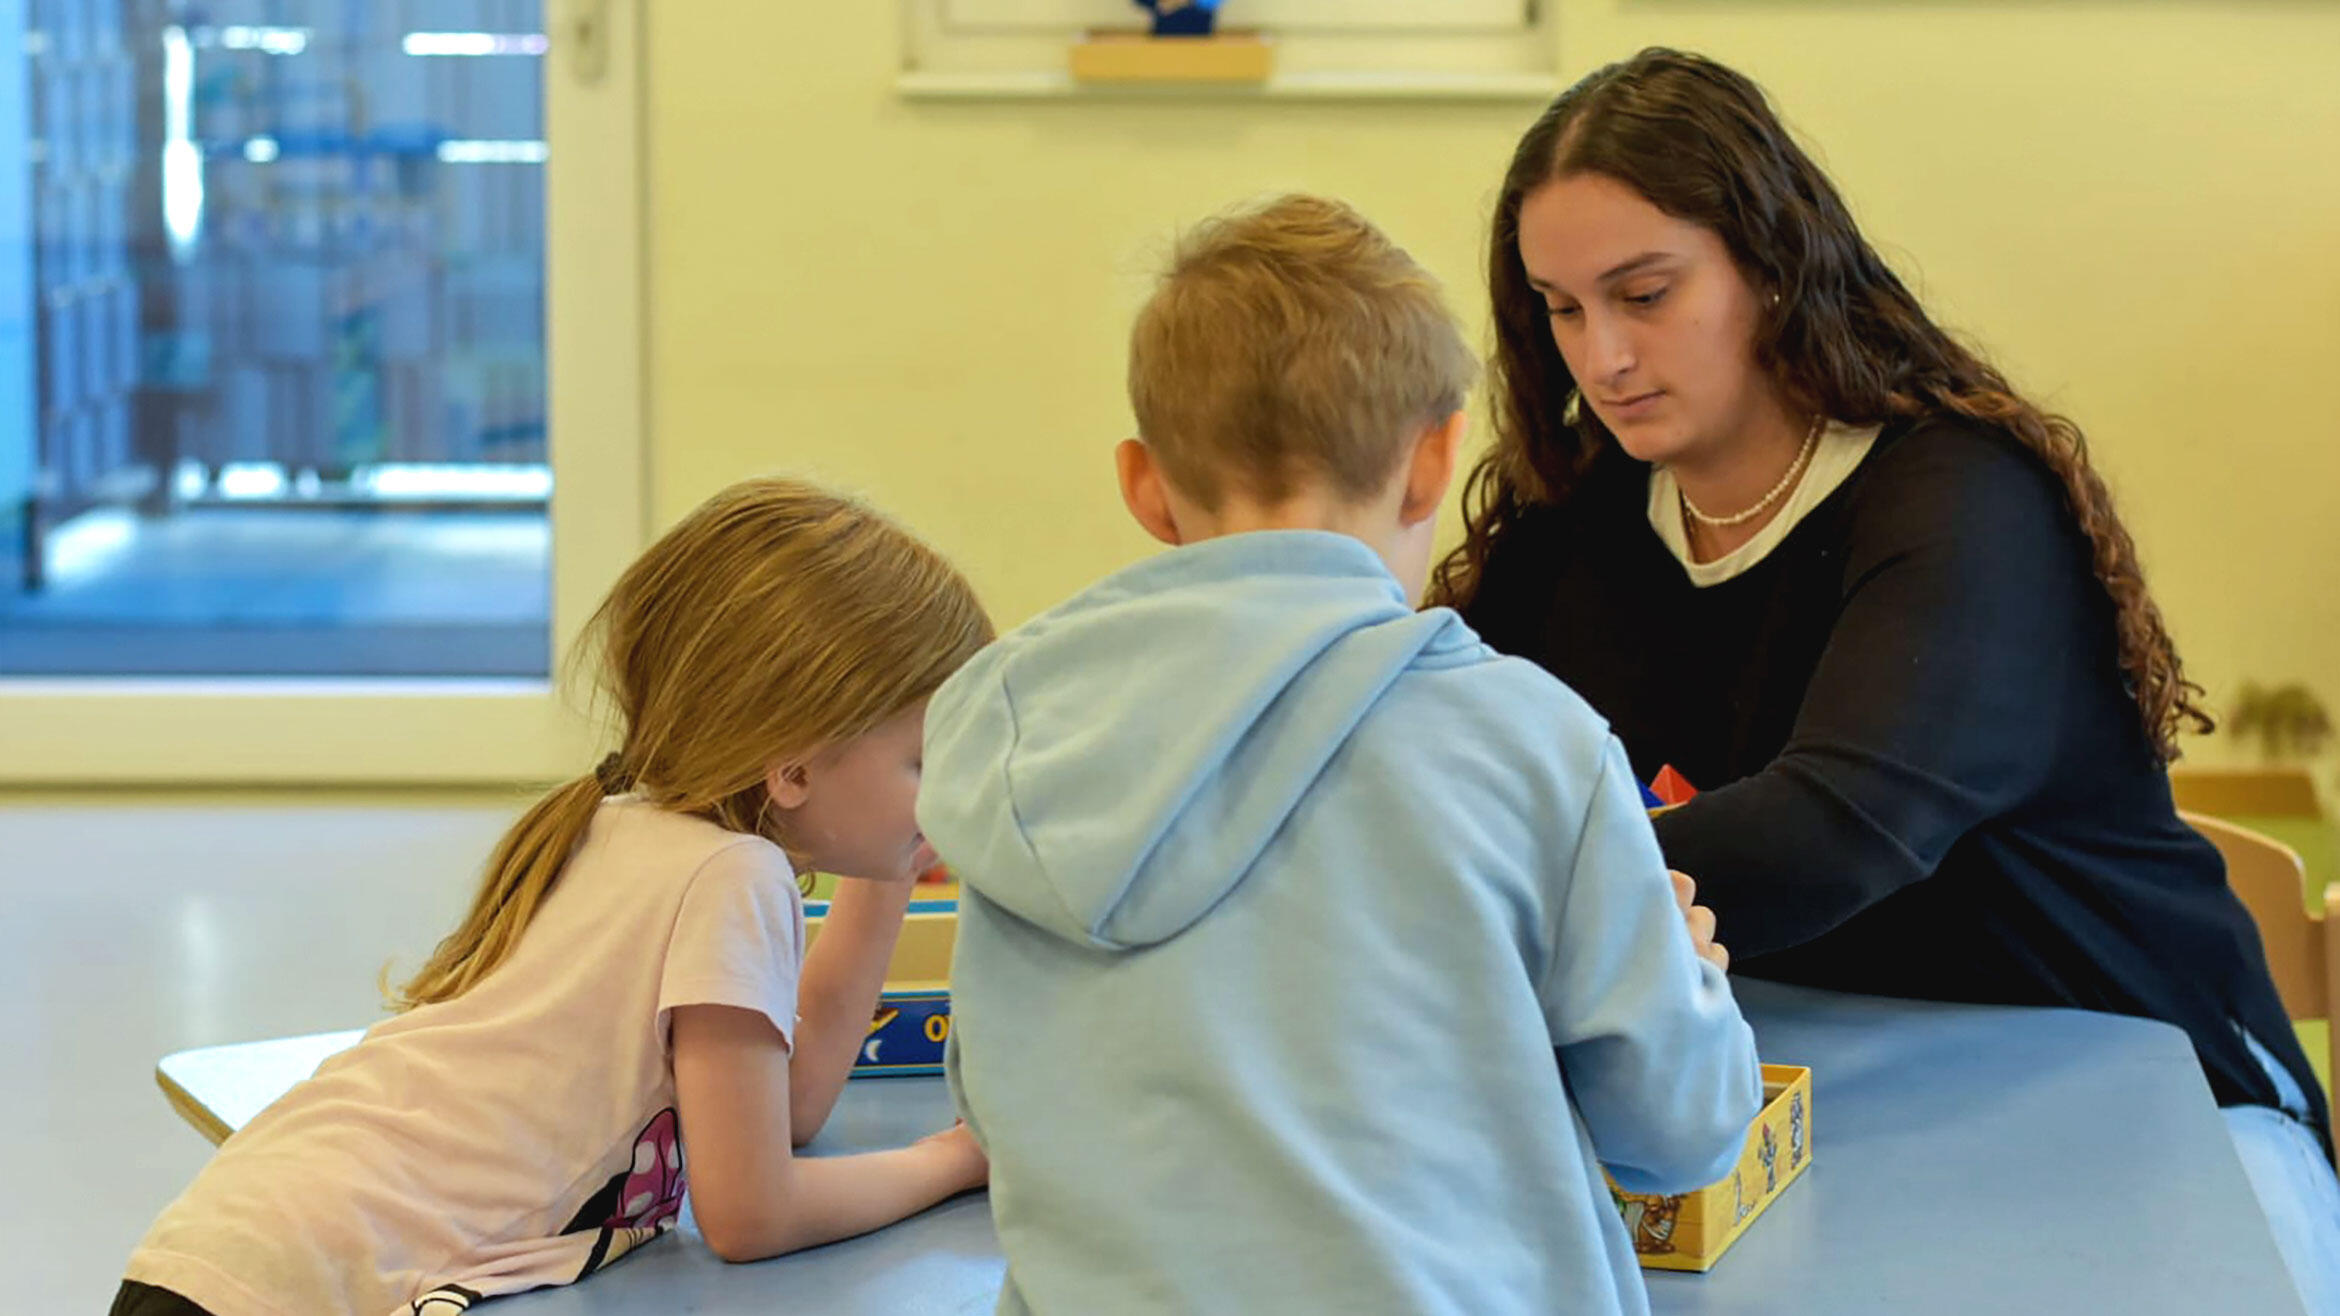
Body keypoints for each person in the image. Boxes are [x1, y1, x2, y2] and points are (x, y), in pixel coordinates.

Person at [1433, 47, 2340, 1312]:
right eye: (1562, 308)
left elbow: (1833, 833)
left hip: (2147, 1090)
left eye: (1645, 293)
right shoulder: (1577, 517)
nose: (1603, 354)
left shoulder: (1962, 499)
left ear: (1769, 261)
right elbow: (1426, 749)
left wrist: (1482, 890)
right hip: (1804, 1101)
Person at [918, 194, 1761, 1315]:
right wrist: (1685, 977)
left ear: (1146, 488)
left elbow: (993, 1097)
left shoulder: (1028, 742)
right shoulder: (1530, 740)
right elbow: (1680, 1131)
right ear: (1434, 464)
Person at [115, 477, 994, 1316]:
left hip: (245, 1244)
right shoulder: (734, 876)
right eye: (923, 758)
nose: (945, 783)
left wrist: (891, 875)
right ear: (794, 769)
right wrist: (951, 1160)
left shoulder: (621, 824)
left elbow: (787, 1105)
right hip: (307, 1282)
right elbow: (751, 1213)